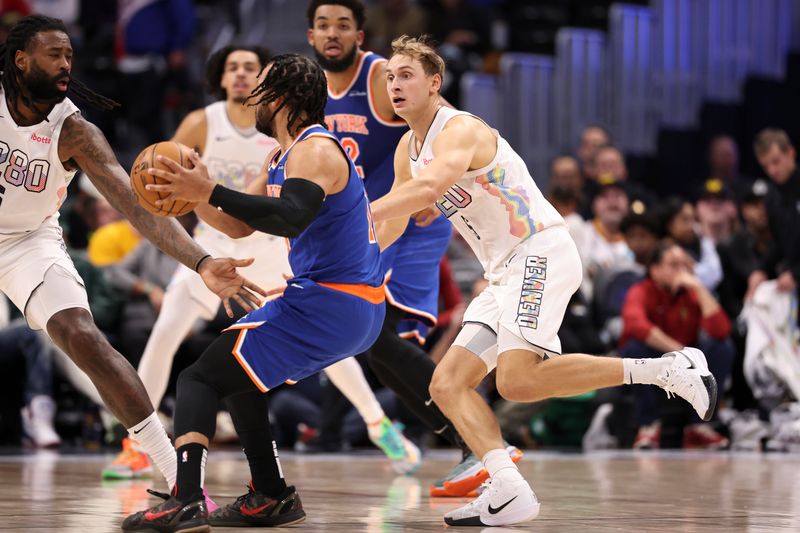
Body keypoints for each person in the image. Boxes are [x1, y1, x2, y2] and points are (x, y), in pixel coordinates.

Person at [371, 36, 719, 527]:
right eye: (389, 76)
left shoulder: (460, 129)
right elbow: (394, 220)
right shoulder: (409, 148)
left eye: (406, 75)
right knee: (446, 384)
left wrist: (353, 216)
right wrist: (351, 261)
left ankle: (668, 370)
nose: (395, 84)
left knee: (515, 381)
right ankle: (509, 490)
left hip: (539, 250)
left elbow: (427, 190)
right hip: (503, 272)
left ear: (434, 83)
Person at [105, 42, 418, 479]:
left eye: (261, 84)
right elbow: (236, 225)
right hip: (320, 289)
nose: (252, 93)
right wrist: (191, 194)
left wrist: (207, 190)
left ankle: (187, 496)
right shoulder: (274, 152)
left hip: (330, 295)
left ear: (279, 98)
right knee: (233, 369)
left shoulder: (314, 149)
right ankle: (268, 492)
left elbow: (289, 217)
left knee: (200, 377)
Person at [0, 14, 262, 498]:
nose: (66, 65)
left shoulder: (74, 130)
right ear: (20, 59)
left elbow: (137, 208)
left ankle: (181, 484)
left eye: (70, 56)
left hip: (26, 240)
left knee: (82, 334)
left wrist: (202, 262)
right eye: (54, 55)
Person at [307, 0, 515, 495]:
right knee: (370, 342)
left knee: (381, 335)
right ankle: (471, 443)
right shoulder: (312, 87)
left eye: (342, 25)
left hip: (410, 219)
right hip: (368, 228)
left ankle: (480, 445)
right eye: (322, 25)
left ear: (361, 34)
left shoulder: (382, 77)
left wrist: (431, 189)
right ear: (311, 35)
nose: (332, 34)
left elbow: (432, 124)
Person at [619, 243, 733, 450]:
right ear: (655, 269)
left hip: (686, 359)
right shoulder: (641, 290)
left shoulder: (691, 293)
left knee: (722, 347)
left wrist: (699, 288)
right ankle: (649, 425)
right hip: (658, 355)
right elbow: (635, 323)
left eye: (685, 265)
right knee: (633, 348)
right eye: (673, 265)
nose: (681, 271)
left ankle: (699, 427)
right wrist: (680, 352)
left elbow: (722, 330)